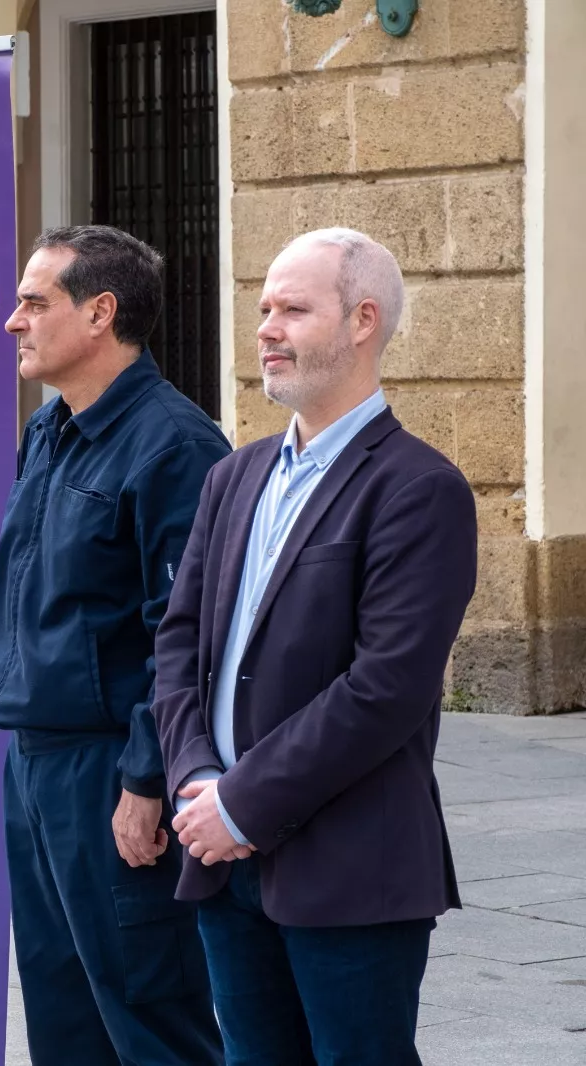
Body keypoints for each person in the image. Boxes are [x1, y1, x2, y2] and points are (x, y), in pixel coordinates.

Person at [155, 228, 477, 1066]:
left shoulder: (418, 487)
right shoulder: (236, 475)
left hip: (350, 868)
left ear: (362, 320)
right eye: (265, 308)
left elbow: (386, 688)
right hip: (224, 863)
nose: (266, 327)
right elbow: (182, 641)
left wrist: (241, 804)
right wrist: (195, 778)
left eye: (293, 309)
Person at [0, 225, 227, 1065]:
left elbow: (185, 634)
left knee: (150, 1017)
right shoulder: (50, 430)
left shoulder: (177, 446)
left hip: (110, 777)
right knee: (63, 1018)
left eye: (33, 301)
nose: (13, 321)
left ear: (100, 313)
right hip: (36, 763)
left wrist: (145, 779)